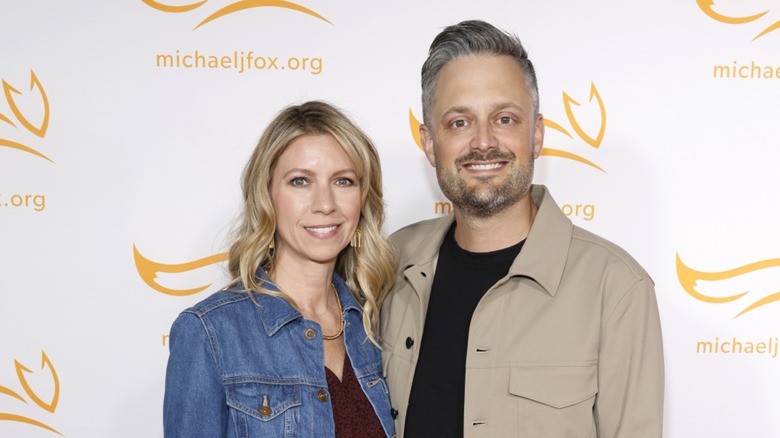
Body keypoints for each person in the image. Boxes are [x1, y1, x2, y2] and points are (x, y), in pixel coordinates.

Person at [381, 20, 664, 437]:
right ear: (428, 142)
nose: (482, 142)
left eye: (505, 118)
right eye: (459, 122)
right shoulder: (391, 262)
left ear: (537, 134)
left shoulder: (616, 288)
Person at [164, 101, 396, 437]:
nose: (325, 204)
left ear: (363, 198)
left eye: (343, 181)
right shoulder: (211, 333)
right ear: (267, 196)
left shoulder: (375, 324)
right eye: (300, 181)